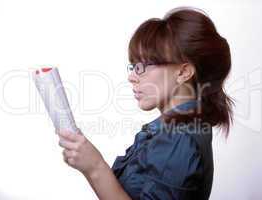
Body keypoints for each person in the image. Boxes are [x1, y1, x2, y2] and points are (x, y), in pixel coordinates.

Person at [57, 6, 234, 200]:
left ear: (183, 73)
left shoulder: (179, 138)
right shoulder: (175, 131)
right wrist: (88, 161)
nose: (132, 77)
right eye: (133, 66)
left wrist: (95, 167)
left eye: (143, 66)